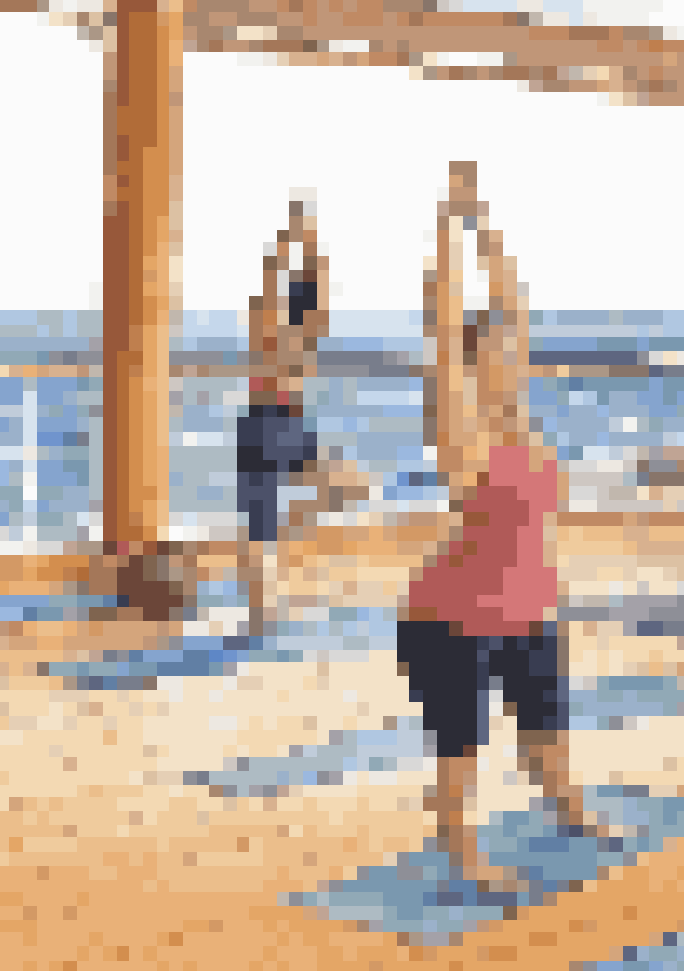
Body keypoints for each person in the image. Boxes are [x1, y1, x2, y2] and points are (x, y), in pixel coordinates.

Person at [400, 164, 624, 898]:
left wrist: (484, 221)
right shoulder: (459, 428)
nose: (509, 352)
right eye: (494, 348)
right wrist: (446, 227)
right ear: (471, 362)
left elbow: (513, 304)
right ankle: (462, 851)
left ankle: (571, 809)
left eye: (511, 348)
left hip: (530, 605)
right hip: (452, 616)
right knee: (462, 749)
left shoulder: (521, 420)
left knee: (548, 727)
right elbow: (442, 320)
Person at [237, 197, 367, 640]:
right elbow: (293, 282)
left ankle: (261, 610)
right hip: (276, 423)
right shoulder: (287, 330)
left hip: (268, 422)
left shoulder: (282, 328)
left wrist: (296, 236)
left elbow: (303, 283)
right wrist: (297, 235)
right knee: (336, 489)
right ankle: (261, 609)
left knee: (269, 523)